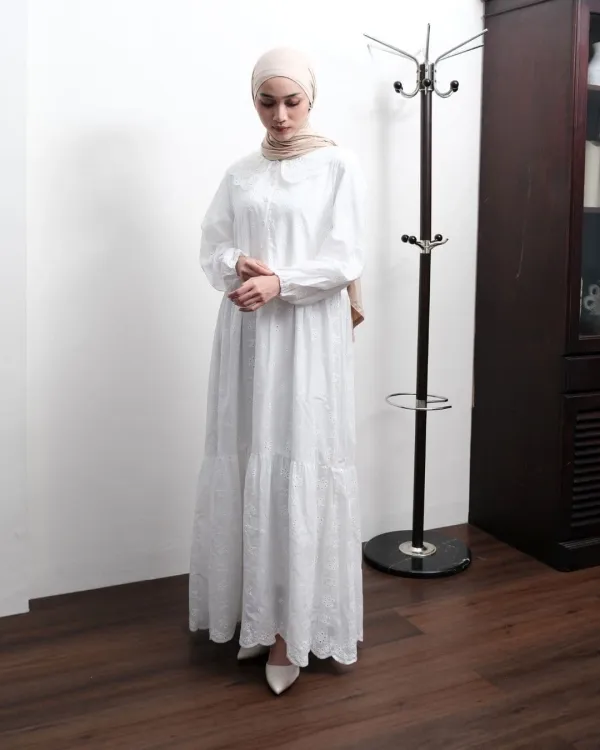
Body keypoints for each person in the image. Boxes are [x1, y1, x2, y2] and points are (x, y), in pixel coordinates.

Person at [189, 47, 366, 696]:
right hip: (247, 335)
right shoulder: (241, 172)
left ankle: (295, 631)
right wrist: (236, 264)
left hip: (305, 335)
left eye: (292, 101)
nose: (281, 115)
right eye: (267, 102)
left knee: (301, 457)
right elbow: (211, 245)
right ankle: (259, 618)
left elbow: (345, 257)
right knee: (251, 456)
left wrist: (281, 283)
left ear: (311, 98)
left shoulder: (338, 164)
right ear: (253, 100)